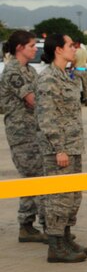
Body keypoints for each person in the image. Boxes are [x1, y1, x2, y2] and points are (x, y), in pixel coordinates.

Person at [36, 34, 87, 263]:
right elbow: (47, 117)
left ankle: (66, 238)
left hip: (72, 147)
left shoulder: (65, 76)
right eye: (71, 46)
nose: (74, 49)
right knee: (58, 197)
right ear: (58, 50)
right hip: (58, 150)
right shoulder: (48, 78)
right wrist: (58, 148)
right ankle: (55, 246)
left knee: (72, 197)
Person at [0, 30, 46, 243]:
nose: (35, 49)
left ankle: (28, 225)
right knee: (32, 178)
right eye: (31, 45)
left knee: (35, 177)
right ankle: (27, 225)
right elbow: (33, 99)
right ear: (19, 48)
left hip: (33, 131)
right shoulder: (13, 71)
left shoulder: (29, 70)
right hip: (22, 133)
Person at [73, 39, 87, 106]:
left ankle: (77, 100)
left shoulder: (75, 51)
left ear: (78, 44)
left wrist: (71, 67)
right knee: (85, 86)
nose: (74, 45)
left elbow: (74, 61)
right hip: (84, 70)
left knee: (77, 86)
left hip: (77, 69)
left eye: (75, 44)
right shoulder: (86, 51)